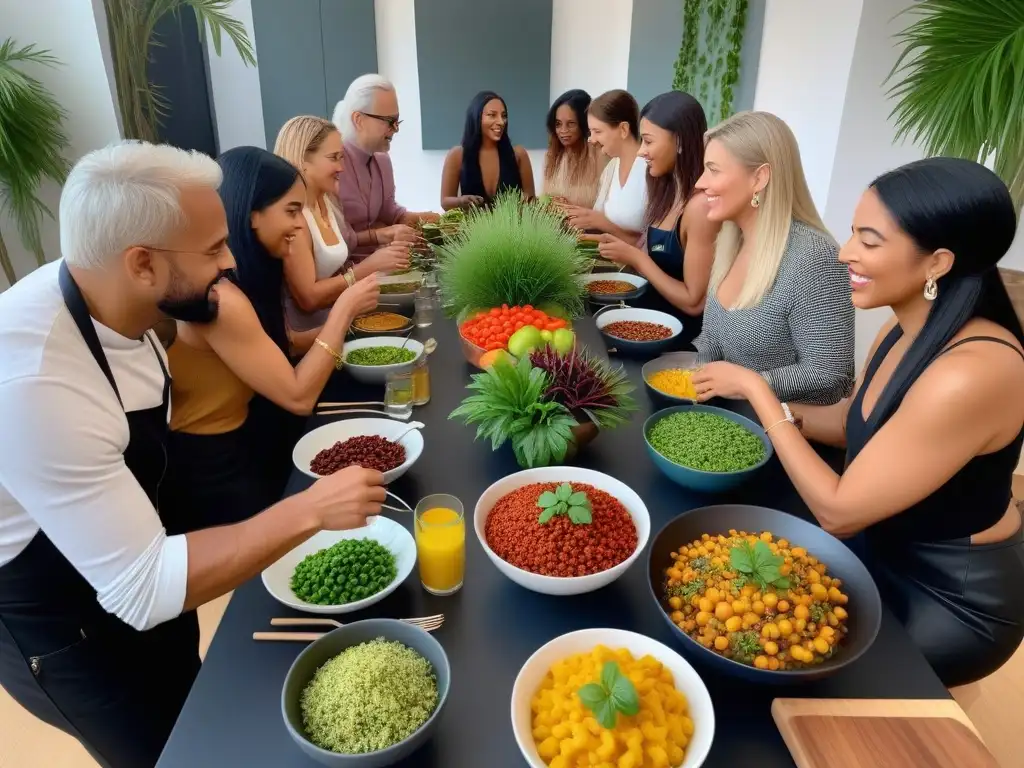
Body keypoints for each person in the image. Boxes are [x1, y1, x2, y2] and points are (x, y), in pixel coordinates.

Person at [0, 141, 387, 768]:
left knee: (199, 709)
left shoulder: (127, 304)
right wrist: (309, 510)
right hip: (68, 630)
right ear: (142, 264)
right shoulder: (34, 382)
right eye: (212, 250)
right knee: (172, 751)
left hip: (140, 565)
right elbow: (144, 585)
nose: (230, 260)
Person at [691, 157, 1024, 687]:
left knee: (794, 670)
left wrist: (758, 390)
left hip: (944, 593)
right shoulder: (904, 328)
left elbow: (838, 512)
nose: (845, 253)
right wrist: (770, 416)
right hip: (878, 541)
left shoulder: (972, 373)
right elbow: (855, 422)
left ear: (937, 262)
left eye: (868, 241)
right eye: (852, 234)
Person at [163, 147, 380, 532]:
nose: (300, 224)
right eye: (292, 211)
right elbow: (299, 397)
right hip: (215, 468)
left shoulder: (250, 278)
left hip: (248, 439)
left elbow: (287, 344)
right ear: (252, 214)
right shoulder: (222, 299)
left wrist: (353, 328)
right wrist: (345, 308)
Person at [690, 111, 854, 404]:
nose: (700, 183)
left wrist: (746, 383)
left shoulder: (815, 258)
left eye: (713, 170)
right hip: (726, 419)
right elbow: (711, 341)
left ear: (759, 178)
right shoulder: (731, 239)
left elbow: (831, 375)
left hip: (788, 436)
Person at [586, 92, 719, 349]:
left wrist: (637, 258)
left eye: (648, 141)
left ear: (679, 141)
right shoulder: (665, 191)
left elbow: (694, 301)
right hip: (646, 328)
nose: (641, 152)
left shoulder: (700, 207)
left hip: (675, 344)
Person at [273, 115, 409, 332]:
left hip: (339, 324)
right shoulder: (295, 219)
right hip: (312, 335)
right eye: (334, 158)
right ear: (303, 161)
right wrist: (369, 267)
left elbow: (347, 242)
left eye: (342, 157)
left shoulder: (327, 200)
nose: (341, 168)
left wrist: (382, 237)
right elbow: (308, 298)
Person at [332, 74, 439, 260]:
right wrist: (381, 234)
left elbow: (390, 213)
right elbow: (334, 238)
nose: (396, 129)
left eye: (397, 121)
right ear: (358, 119)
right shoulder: (333, 163)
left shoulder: (382, 160)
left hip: (383, 265)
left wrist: (428, 219)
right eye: (389, 121)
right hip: (346, 273)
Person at [563, 89, 647, 244]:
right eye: (590, 132)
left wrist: (600, 222)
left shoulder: (650, 170)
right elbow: (603, 230)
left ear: (623, 129)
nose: (591, 139)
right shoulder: (611, 169)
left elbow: (649, 246)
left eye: (597, 131)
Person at [440, 90, 536, 210]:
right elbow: (445, 202)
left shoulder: (519, 155)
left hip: (512, 228)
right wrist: (461, 201)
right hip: (472, 228)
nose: (501, 122)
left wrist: (523, 201)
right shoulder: (457, 155)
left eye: (504, 116)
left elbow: (532, 201)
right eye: (492, 115)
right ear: (476, 117)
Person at [541, 89, 607, 208]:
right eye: (558, 124)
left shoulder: (600, 155)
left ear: (584, 124)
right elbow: (544, 198)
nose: (563, 131)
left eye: (571, 123)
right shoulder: (551, 156)